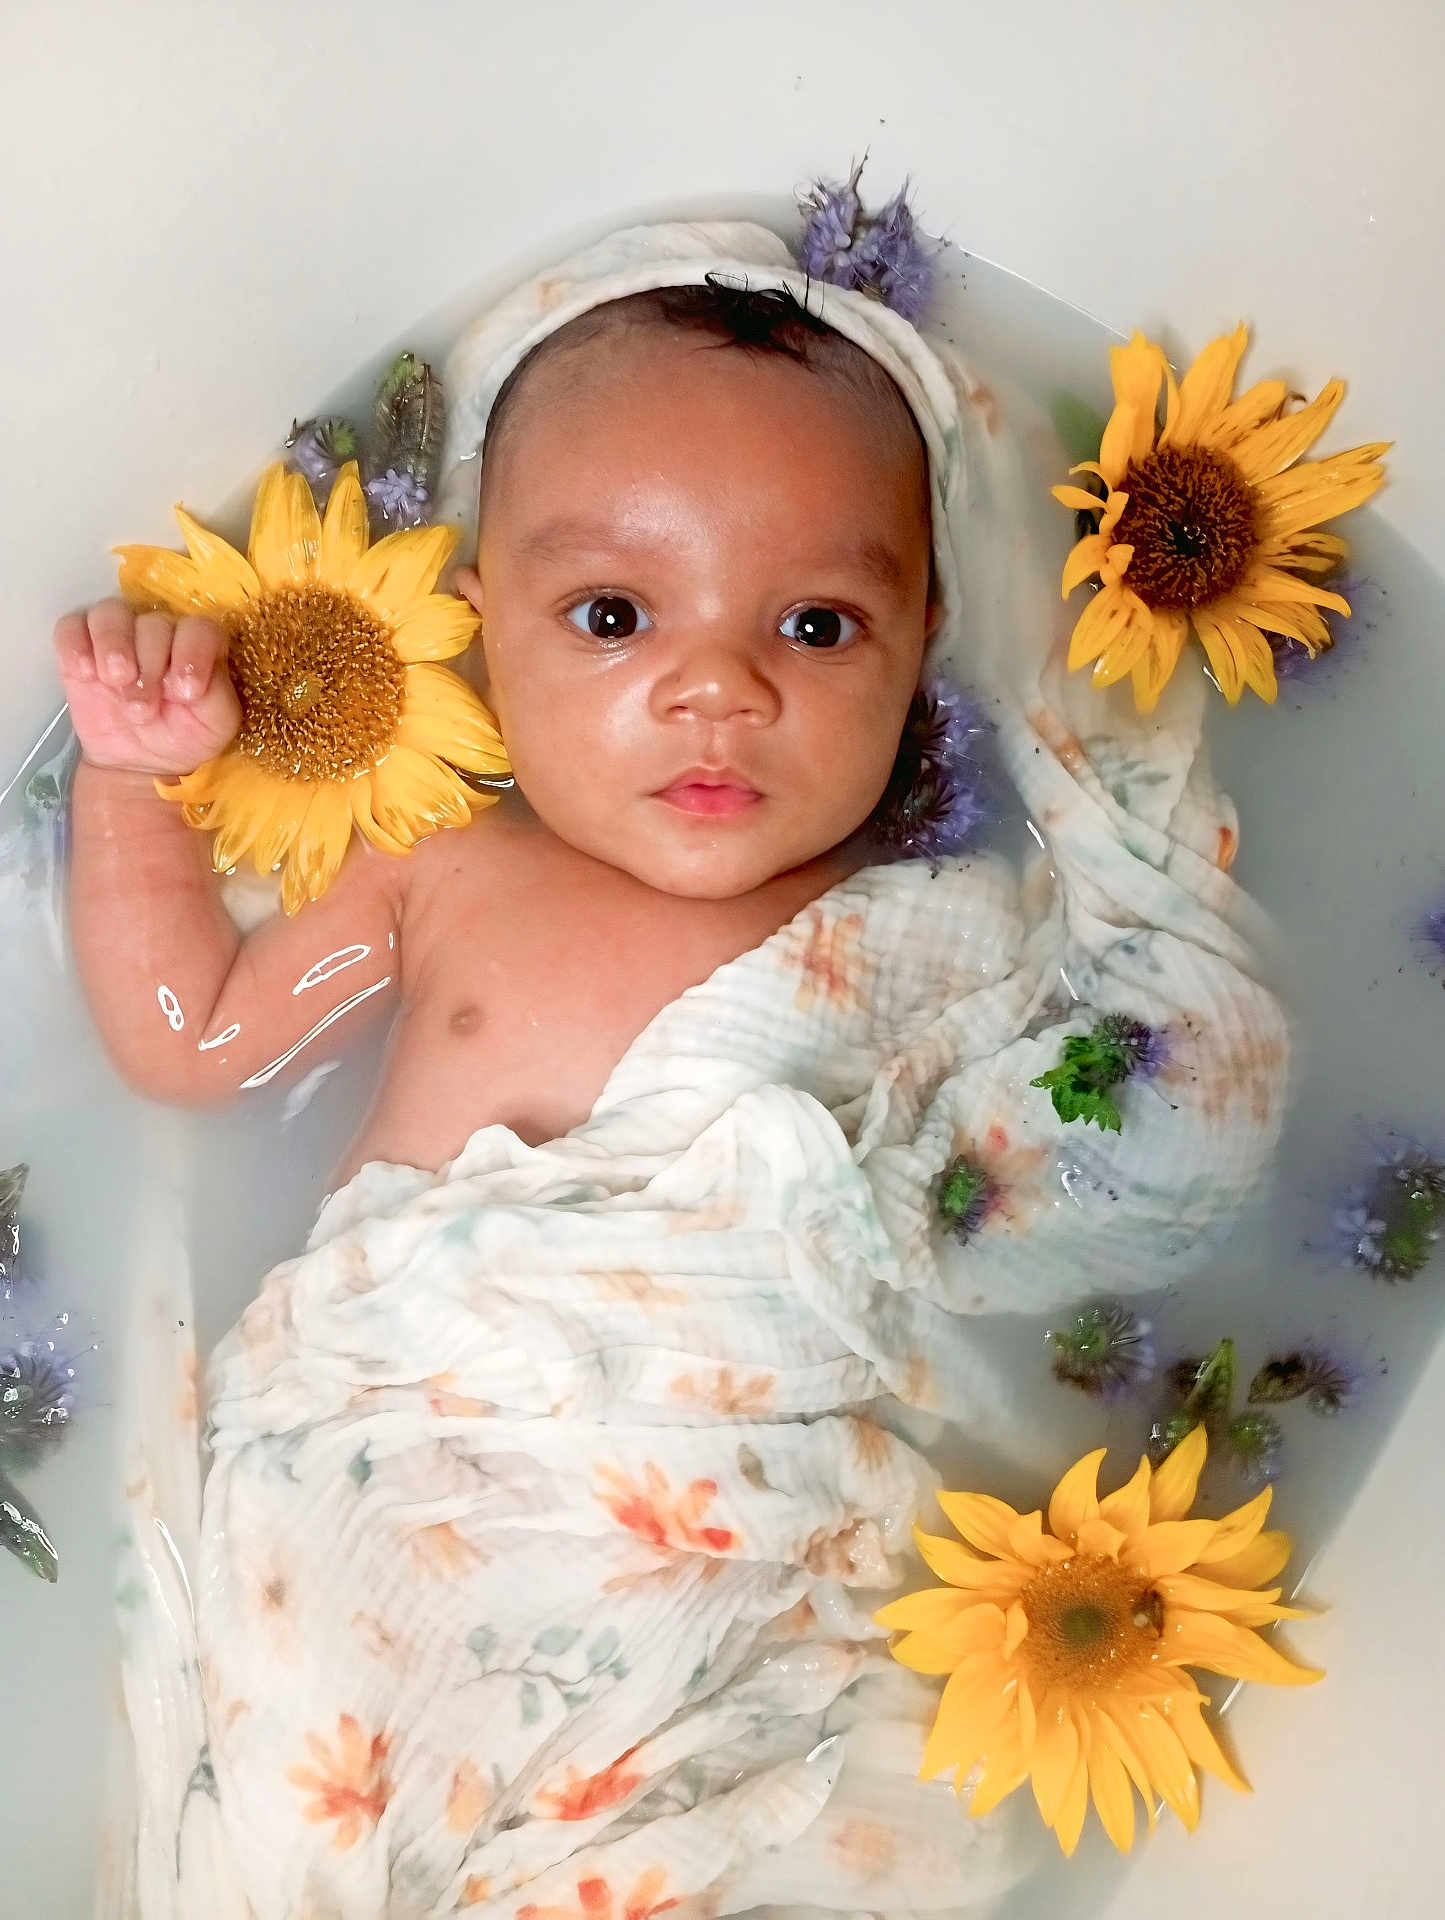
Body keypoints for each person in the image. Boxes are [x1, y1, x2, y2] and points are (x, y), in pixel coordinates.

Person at [71, 221, 1287, 1918]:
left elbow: (1110, 1141)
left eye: (815, 622)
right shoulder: (441, 869)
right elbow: (191, 1040)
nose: (715, 686)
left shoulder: (935, 941)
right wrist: (137, 785)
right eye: (613, 614)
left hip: (734, 1533)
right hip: (401, 1469)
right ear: (481, 626)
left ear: (927, 638)